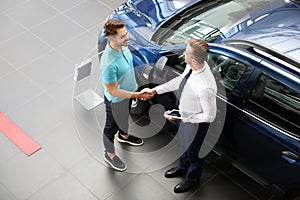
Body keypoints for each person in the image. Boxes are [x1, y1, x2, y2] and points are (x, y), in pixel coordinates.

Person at [147, 38, 217, 193]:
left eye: (186, 53)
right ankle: (182, 167)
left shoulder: (206, 87)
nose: (183, 54)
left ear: (193, 59)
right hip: (184, 115)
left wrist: (182, 118)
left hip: (195, 123)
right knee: (185, 144)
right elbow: (181, 81)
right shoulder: (191, 66)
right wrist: (156, 90)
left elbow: (209, 116)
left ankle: (192, 178)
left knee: (195, 152)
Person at [100, 19, 154, 172]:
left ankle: (123, 136)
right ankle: (109, 154)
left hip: (128, 95)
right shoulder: (108, 63)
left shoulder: (122, 47)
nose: (127, 38)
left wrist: (134, 89)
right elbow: (113, 91)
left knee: (124, 119)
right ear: (112, 38)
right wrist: (137, 94)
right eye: (123, 36)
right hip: (116, 101)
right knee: (111, 127)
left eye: (126, 34)